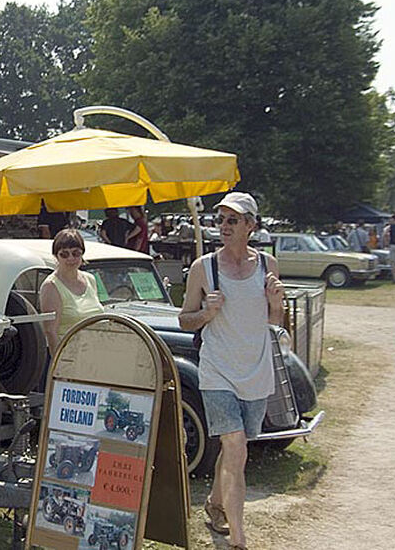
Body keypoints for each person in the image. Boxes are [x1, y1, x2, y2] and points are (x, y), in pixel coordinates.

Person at [178, 192, 284, 550]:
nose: (223, 226)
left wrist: (275, 303)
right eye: (221, 219)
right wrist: (206, 314)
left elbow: (274, 321)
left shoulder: (268, 265)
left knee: (235, 449)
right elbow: (184, 319)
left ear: (251, 226)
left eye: (233, 220)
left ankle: (214, 503)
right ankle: (238, 539)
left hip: (255, 370)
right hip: (217, 369)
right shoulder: (203, 267)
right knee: (235, 445)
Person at [39, 228, 105, 356]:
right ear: (56, 256)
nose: (71, 258)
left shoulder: (90, 279)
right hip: (69, 358)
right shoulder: (51, 286)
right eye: (64, 254)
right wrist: (60, 367)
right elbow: (50, 332)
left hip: (97, 354)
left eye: (76, 253)